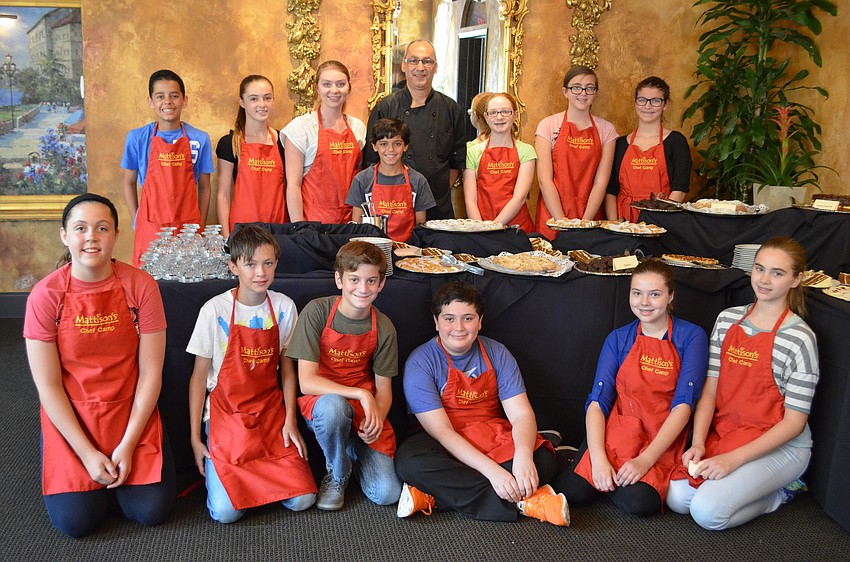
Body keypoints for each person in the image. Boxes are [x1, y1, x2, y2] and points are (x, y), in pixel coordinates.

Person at [23, 193, 176, 538]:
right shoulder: (46, 296)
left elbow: (152, 372)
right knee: (76, 523)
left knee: (151, 511)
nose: (91, 237)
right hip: (74, 419)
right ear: (65, 235)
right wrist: (87, 453)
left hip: (131, 413)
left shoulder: (141, 286)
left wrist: (128, 443)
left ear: (116, 235)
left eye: (102, 228)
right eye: (80, 228)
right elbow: (48, 385)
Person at [667, 237, 819, 530]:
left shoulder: (800, 338)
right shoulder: (727, 320)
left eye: (778, 273)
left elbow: (794, 424)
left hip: (783, 447)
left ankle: (781, 493)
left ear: (797, 279)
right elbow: (710, 391)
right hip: (731, 433)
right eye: (759, 269)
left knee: (708, 513)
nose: (764, 280)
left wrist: (732, 461)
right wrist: (698, 441)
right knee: (677, 497)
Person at [395, 282, 569, 526]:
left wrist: (522, 455)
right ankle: (526, 502)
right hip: (442, 440)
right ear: (436, 322)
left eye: (468, 318)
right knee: (409, 463)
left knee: (542, 462)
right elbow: (442, 432)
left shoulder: (498, 353)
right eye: (449, 319)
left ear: (480, 321)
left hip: (491, 431)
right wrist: (494, 472)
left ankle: (434, 496)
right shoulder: (420, 362)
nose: (458, 328)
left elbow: (520, 415)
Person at [553, 260, 708, 516]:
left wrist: (645, 460)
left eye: (654, 294)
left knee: (641, 503)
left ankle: (605, 480)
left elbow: (684, 405)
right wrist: (600, 459)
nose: (644, 302)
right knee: (573, 492)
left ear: (671, 295)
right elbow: (597, 401)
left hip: (662, 434)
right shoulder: (618, 338)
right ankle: (591, 460)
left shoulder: (691, 337)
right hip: (620, 429)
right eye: (637, 293)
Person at [186, 225, 317, 523]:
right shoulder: (214, 310)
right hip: (226, 414)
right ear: (234, 266)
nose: (261, 272)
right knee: (225, 513)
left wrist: (290, 420)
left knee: (304, 500)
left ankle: (257, 487)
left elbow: (287, 368)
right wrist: (195, 438)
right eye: (251, 264)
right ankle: (240, 487)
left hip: (270, 413)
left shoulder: (283, 307)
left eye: (268, 263)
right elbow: (198, 378)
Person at [286, 241, 402, 510]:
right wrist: (361, 393)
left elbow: (384, 390)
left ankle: (351, 451)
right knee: (333, 407)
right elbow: (307, 382)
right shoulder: (317, 311)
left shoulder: (384, 327)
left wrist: (377, 419)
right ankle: (337, 473)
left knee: (387, 493)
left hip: (362, 410)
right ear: (339, 279)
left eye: (371, 280)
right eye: (354, 279)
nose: (363, 288)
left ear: (381, 284)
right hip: (324, 404)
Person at [364, 39, 466, 220]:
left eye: (427, 61)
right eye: (414, 61)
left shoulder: (451, 109)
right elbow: (371, 162)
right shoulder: (386, 107)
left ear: (435, 67)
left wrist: (436, 190)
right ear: (404, 65)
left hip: (437, 205)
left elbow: (456, 162)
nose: (420, 67)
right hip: (393, 206)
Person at [122, 69, 214, 267]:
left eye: (174, 96)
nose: (168, 102)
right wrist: (137, 220)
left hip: (187, 228)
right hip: (150, 228)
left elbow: (205, 186)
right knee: (149, 287)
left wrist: (200, 225)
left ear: (184, 100)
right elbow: (128, 182)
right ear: (150, 101)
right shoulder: (137, 138)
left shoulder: (199, 139)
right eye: (160, 96)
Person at [534, 65, 617, 239]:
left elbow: (601, 182)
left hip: (590, 213)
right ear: (565, 91)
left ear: (595, 92)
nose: (583, 93)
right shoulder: (548, 125)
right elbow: (544, 179)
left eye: (589, 88)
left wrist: (584, 224)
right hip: (552, 214)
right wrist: (562, 222)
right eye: (576, 87)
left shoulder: (606, 130)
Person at [283, 61, 366, 224]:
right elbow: (293, 185)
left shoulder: (358, 128)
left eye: (340, 84)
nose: (334, 90)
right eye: (327, 84)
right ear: (317, 88)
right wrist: (300, 228)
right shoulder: (301, 128)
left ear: (349, 87)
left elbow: (358, 180)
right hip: (313, 224)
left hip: (349, 223)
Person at [605, 76, 692, 222]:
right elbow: (610, 191)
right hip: (623, 220)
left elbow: (680, 189)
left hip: (662, 221)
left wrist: (659, 220)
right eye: (642, 100)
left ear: (665, 105)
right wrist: (615, 225)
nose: (647, 106)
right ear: (635, 103)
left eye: (656, 101)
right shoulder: (619, 144)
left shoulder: (676, 142)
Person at [215, 75, 287, 237]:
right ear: (242, 102)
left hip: (277, 230)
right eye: (254, 99)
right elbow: (223, 194)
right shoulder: (229, 143)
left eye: (267, 98)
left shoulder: (283, 142)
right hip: (242, 233)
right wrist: (226, 238)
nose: (262, 104)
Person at [346, 118, 436, 242]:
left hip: (407, 250)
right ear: (374, 146)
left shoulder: (418, 181)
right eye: (383, 144)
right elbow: (357, 225)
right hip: (371, 251)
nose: (390, 149)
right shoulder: (362, 180)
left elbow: (421, 227)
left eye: (397, 144)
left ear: (406, 146)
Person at [463, 92, 536, 232]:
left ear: (515, 115)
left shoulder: (526, 151)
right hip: (481, 227)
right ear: (486, 117)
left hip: (516, 229)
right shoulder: (472, 152)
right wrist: (481, 229)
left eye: (505, 112)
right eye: (493, 112)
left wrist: (494, 227)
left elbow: (519, 198)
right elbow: (470, 201)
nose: (499, 117)